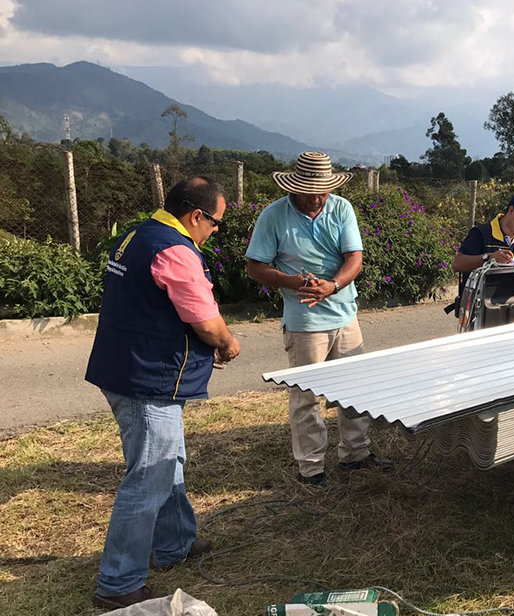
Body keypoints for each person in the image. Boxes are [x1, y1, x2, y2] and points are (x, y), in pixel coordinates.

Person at [85, 176, 241, 610]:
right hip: (148, 379)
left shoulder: (136, 234)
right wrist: (228, 344)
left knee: (167, 462)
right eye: (216, 223)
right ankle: (118, 583)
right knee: (149, 477)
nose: (214, 232)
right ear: (197, 215)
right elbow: (205, 321)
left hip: (123, 368)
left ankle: (175, 543)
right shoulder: (174, 249)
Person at [246, 152, 391, 486]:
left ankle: (355, 454)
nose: (316, 197)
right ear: (294, 187)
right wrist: (292, 281)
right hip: (304, 320)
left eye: (322, 191)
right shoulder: (274, 216)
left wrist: (334, 285)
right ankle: (311, 468)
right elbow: (255, 266)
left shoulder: (341, 209)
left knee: (354, 388)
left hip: (344, 313)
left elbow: (355, 257)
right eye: (309, 191)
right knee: (306, 396)